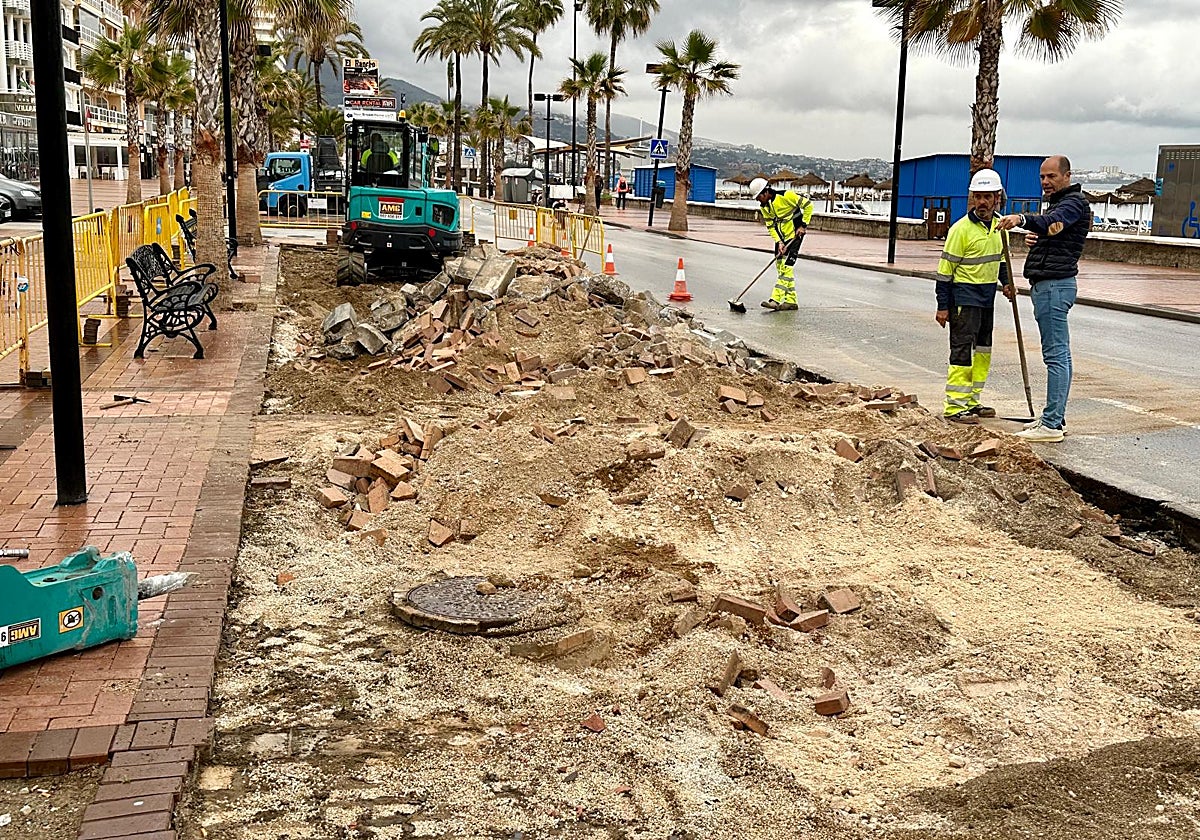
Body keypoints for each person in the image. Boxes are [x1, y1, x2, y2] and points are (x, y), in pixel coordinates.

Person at [997, 154, 1090, 443]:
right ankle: (1055, 418)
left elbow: (1052, 222)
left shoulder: (1073, 203)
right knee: (1060, 355)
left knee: (1056, 355)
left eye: (1051, 176)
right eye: (1042, 177)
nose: (1046, 182)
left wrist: (1022, 219)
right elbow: (1053, 230)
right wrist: (1036, 239)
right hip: (1051, 285)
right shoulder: (1061, 205)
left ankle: (1051, 424)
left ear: (1067, 176)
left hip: (1054, 287)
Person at [934, 168, 1015, 424]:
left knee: (982, 351)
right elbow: (945, 272)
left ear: (997, 198)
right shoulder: (960, 230)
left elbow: (1001, 261)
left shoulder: (1001, 228)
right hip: (964, 298)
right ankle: (955, 406)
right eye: (977, 197)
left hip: (987, 298)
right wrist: (943, 306)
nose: (982, 202)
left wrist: (1007, 283)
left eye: (987, 197)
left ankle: (972, 400)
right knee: (962, 352)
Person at [748, 177, 814, 310]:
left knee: (787, 267)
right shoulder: (764, 207)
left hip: (795, 235)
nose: (758, 200)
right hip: (781, 238)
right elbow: (770, 226)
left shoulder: (786, 196)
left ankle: (775, 299)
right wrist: (778, 242)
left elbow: (808, 205)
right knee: (780, 267)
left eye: (759, 197)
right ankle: (791, 301)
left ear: (766, 192)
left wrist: (803, 225)